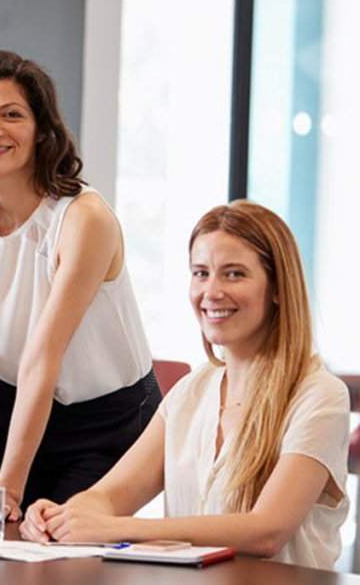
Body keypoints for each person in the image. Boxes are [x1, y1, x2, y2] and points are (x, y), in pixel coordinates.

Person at [20, 201, 350, 570]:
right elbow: (107, 497)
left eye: (235, 274)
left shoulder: (320, 396)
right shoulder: (191, 393)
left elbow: (266, 531)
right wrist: (63, 516)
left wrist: (117, 529)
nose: (212, 291)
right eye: (200, 273)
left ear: (277, 288)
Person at [0, 50, 160, 520]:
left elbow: (44, 357)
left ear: (42, 130)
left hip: (106, 421)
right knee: (8, 553)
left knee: (61, 546)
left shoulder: (84, 218)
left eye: (12, 114)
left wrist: (8, 492)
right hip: (9, 406)